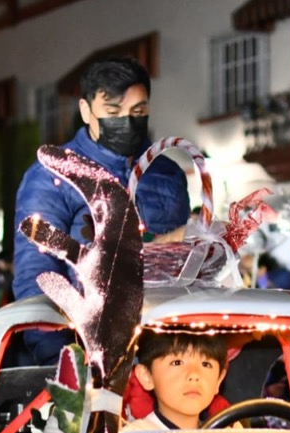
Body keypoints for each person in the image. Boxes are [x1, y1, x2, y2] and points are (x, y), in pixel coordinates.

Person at [12, 56, 189, 364]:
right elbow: (37, 278)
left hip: (167, 353)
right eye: (113, 112)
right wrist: (63, 366)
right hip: (90, 353)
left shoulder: (168, 175)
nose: (126, 121)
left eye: (138, 111)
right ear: (86, 111)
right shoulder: (53, 175)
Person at [123, 331, 228, 431]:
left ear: (219, 380)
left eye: (206, 364)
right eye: (177, 363)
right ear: (146, 376)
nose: (194, 375)